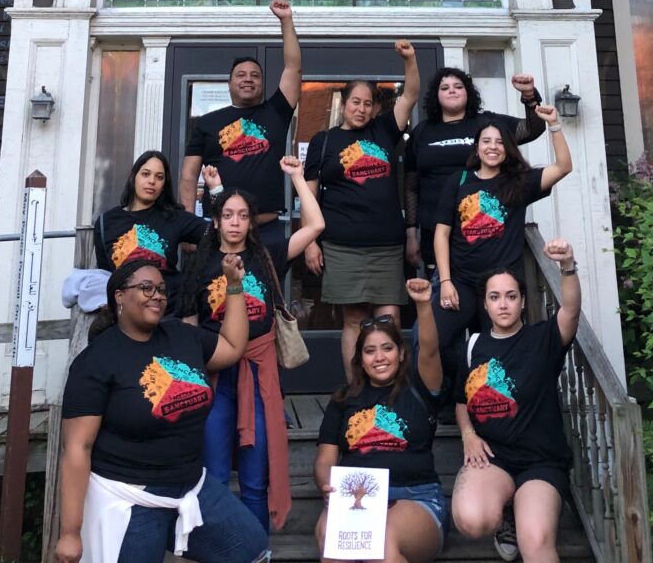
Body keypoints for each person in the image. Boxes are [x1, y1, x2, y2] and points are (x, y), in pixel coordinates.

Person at [55, 258, 268, 563]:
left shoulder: (182, 336)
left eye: (161, 289)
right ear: (119, 296)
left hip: (191, 485)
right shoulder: (96, 362)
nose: (157, 295)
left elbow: (232, 346)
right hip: (131, 495)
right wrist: (70, 532)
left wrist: (234, 285)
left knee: (250, 547)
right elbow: (77, 447)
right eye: (146, 288)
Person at [181, 156, 325, 533]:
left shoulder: (266, 256)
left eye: (242, 215)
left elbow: (316, 225)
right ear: (215, 220)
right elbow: (188, 327)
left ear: (250, 221)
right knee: (211, 481)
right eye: (227, 214)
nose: (234, 222)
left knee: (255, 483)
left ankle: (257, 552)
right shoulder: (200, 265)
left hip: (260, 379)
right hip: (215, 381)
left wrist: (296, 177)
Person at [452, 241, 581, 563]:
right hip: (494, 458)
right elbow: (459, 400)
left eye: (511, 296)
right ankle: (504, 512)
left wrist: (567, 266)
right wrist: (468, 434)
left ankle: (528, 507)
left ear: (522, 301)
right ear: (485, 304)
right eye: (495, 297)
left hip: (540, 462)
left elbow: (571, 310)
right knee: (472, 518)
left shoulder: (543, 339)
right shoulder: (473, 347)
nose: (503, 304)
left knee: (534, 541)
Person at [303, 40, 420, 380]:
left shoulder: (384, 131)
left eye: (368, 103)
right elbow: (310, 198)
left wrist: (409, 59)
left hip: (386, 246)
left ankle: (390, 391)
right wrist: (310, 241)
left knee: (390, 323)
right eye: (356, 101)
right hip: (342, 247)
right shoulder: (323, 142)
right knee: (353, 321)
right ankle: (357, 391)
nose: (362, 109)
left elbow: (410, 94)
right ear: (344, 102)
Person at [314, 279, 447, 563]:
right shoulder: (343, 400)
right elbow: (325, 460)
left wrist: (423, 305)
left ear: (400, 353)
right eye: (370, 351)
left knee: (381, 544)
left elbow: (431, 350)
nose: (379, 357)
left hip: (414, 497)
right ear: (359, 359)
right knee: (332, 543)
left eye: (387, 348)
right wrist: (327, 486)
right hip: (354, 502)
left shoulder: (420, 387)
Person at [432, 104, 570, 378]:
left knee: (498, 352)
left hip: (501, 286)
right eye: (486, 141)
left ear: (507, 148)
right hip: (461, 282)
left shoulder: (519, 182)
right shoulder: (458, 181)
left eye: (499, 142)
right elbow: (442, 233)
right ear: (477, 147)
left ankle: (486, 409)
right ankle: (459, 391)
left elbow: (563, 167)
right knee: (435, 340)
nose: (492, 147)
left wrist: (554, 125)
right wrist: (446, 281)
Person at [180, 0, 302, 239]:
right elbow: (188, 176)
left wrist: (286, 20)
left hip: (266, 230)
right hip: (219, 231)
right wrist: (188, 228)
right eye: (241, 75)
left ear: (262, 83)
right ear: (229, 84)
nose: (248, 79)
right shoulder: (206, 123)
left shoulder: (276, 111)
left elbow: (293, 68)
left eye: (255, 75)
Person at [404, 68, 546, 275]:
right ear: (436, 95)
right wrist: (410, 234)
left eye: (458, 86)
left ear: (468, 92)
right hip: (435, 229)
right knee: (443, 293)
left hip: (483, 230)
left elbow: (532, 129)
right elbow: (410, 186)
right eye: (445, 88)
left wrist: (530, 96)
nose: (452, 91)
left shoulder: (486, 124)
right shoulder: (421, 132)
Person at [92, 150, 209, 313]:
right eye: (146, 174)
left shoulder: (174, 217)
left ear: (163, 186)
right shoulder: (107, 222)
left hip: (169, 313)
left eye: (159, 177)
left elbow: (218, 236)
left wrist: (216, 191)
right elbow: (105, 273)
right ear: (133, 177)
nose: (152, 181)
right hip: (127, 316)